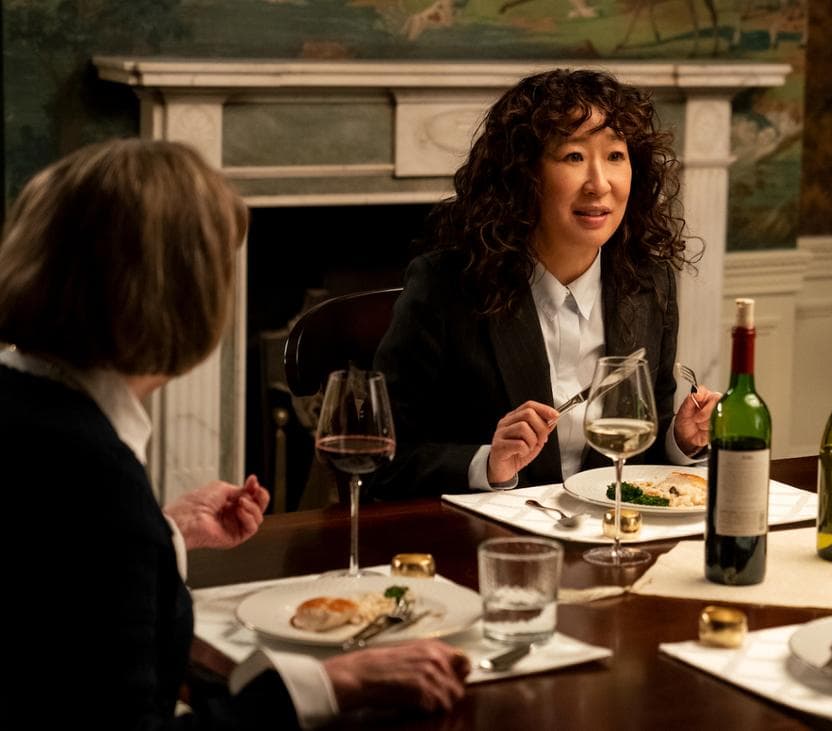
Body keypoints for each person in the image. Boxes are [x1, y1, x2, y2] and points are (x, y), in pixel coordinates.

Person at [0, 139, 469, 729]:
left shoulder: (32, 415)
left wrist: (164, 532)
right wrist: (330, 685)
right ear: (182, 295)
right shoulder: (94, 477)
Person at [372, 69, 720, 498]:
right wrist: (488, 463)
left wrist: (679, 439)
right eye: (574, 156)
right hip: (488, 542)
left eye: (615, 156)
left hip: (606, 540)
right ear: (524, 174)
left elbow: (643, 439)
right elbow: (382, 458)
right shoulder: (445, 286)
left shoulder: (649, 283)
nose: (600, 183)